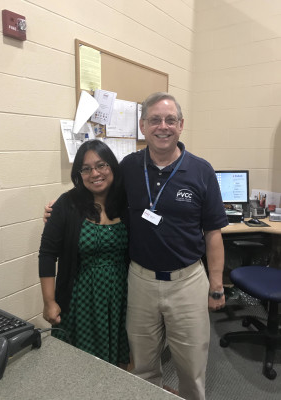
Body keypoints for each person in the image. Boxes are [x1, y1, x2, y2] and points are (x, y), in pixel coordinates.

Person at [44, 92, 228, 400]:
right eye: (155, 119)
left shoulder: (201, 170)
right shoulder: (129, 167)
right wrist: (60, 208)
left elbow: (213, 233)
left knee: (191, 369)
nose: (163, 126)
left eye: (170, 120)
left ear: (181, 125)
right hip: (140, 281)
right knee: (142, 365)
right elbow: (95, 187)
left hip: (187, 282)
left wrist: (217, 285)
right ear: (143, 126)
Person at [39, 139, 130, 368]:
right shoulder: (66, 204)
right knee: (81, 363)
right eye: (86, 168)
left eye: (101, 165)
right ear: (79, 174)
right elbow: (47, 254)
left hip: (124, 295)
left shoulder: (127, 202)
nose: (95, 173)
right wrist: (49, 301)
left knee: (121, 361)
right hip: (82, 297)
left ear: (112, 167)